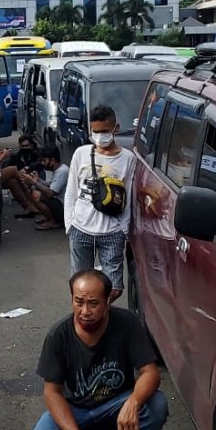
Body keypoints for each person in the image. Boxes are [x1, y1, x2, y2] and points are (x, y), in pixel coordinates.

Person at [27, 269, 168, 430]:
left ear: (108, 301)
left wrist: (133, 402)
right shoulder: (58, 335)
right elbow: (51, 393)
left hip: (116, 406)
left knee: (157, 404)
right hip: (76, 409)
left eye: (93, 303)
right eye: (78, 302)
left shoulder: (127, 323)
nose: (85, 311)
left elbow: (150, 373)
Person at [64, 105, 135, 302]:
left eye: (104, 131)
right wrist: (69, 223)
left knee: (114, 288)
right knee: (79, 287)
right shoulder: (81, 153)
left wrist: (124, 229)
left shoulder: (128, 159)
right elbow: (71, 191)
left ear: (116, 128)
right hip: (80, 230)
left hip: (112, 233)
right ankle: (88, 323)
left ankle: (101, 315)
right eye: (95, 131)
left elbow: (128, 196)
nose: (99, 136)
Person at [19, 145, 69, 231]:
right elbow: (50, 185)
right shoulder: (59, 170)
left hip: (65, 208)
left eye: (44, 160)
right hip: (59, 203)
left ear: (52, 160)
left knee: (36, 194)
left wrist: (33, 182)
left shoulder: (62, 171)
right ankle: (51, 218)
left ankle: (53, 221)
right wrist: (38, 180)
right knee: (35, 190)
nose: (42, 163)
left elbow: (50, 193)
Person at [0, 135, 45, 217]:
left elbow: (40, 162)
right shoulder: (17, 155)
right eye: (22, 146)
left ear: (31, 145)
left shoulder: (37, 152)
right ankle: (30, 202)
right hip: (22, 178)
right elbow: (4, 164)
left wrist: (28, 169)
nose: (25, 148)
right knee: (13, 170)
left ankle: (28, 206)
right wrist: (3, 156)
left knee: (13, 182)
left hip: (35, 175)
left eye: (27, 146)